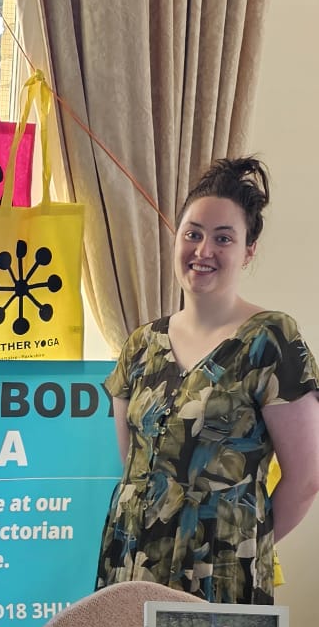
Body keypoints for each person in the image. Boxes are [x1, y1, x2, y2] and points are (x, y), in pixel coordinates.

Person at [95, 157, 319, 603]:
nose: (203, 250)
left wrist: (242, 545)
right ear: (176, 236)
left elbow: (307, 477)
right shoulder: (141, 344)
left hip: (221, 571)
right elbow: (134, 466)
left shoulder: (271, 339)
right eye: (193, 233)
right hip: (131, 561)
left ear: (248, 251)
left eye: (223, 238)